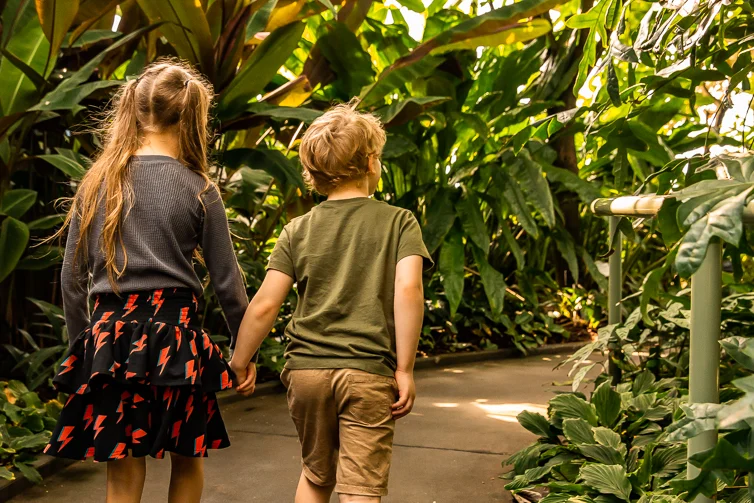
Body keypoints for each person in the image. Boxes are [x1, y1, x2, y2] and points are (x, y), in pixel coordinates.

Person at [43, 59, 248, 503]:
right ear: (193, 116)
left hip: (111, 341)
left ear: (134, 111)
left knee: (122, 465)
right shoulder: (199, 187)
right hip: (177, 338)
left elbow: (72, 280)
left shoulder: (97, 182)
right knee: (187, 458)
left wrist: (87, 349)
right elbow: (228, 282)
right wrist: (243, 352)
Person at [230, 103, 432, 502]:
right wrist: (405, 369)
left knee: (317, 474)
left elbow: (265, 304)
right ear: (372, 162)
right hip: (367, 371)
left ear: (315, 174)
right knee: (360, 486)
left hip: (307, 373)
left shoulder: (297, 230)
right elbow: (409, 290)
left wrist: (239, 360)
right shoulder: (399, 221)